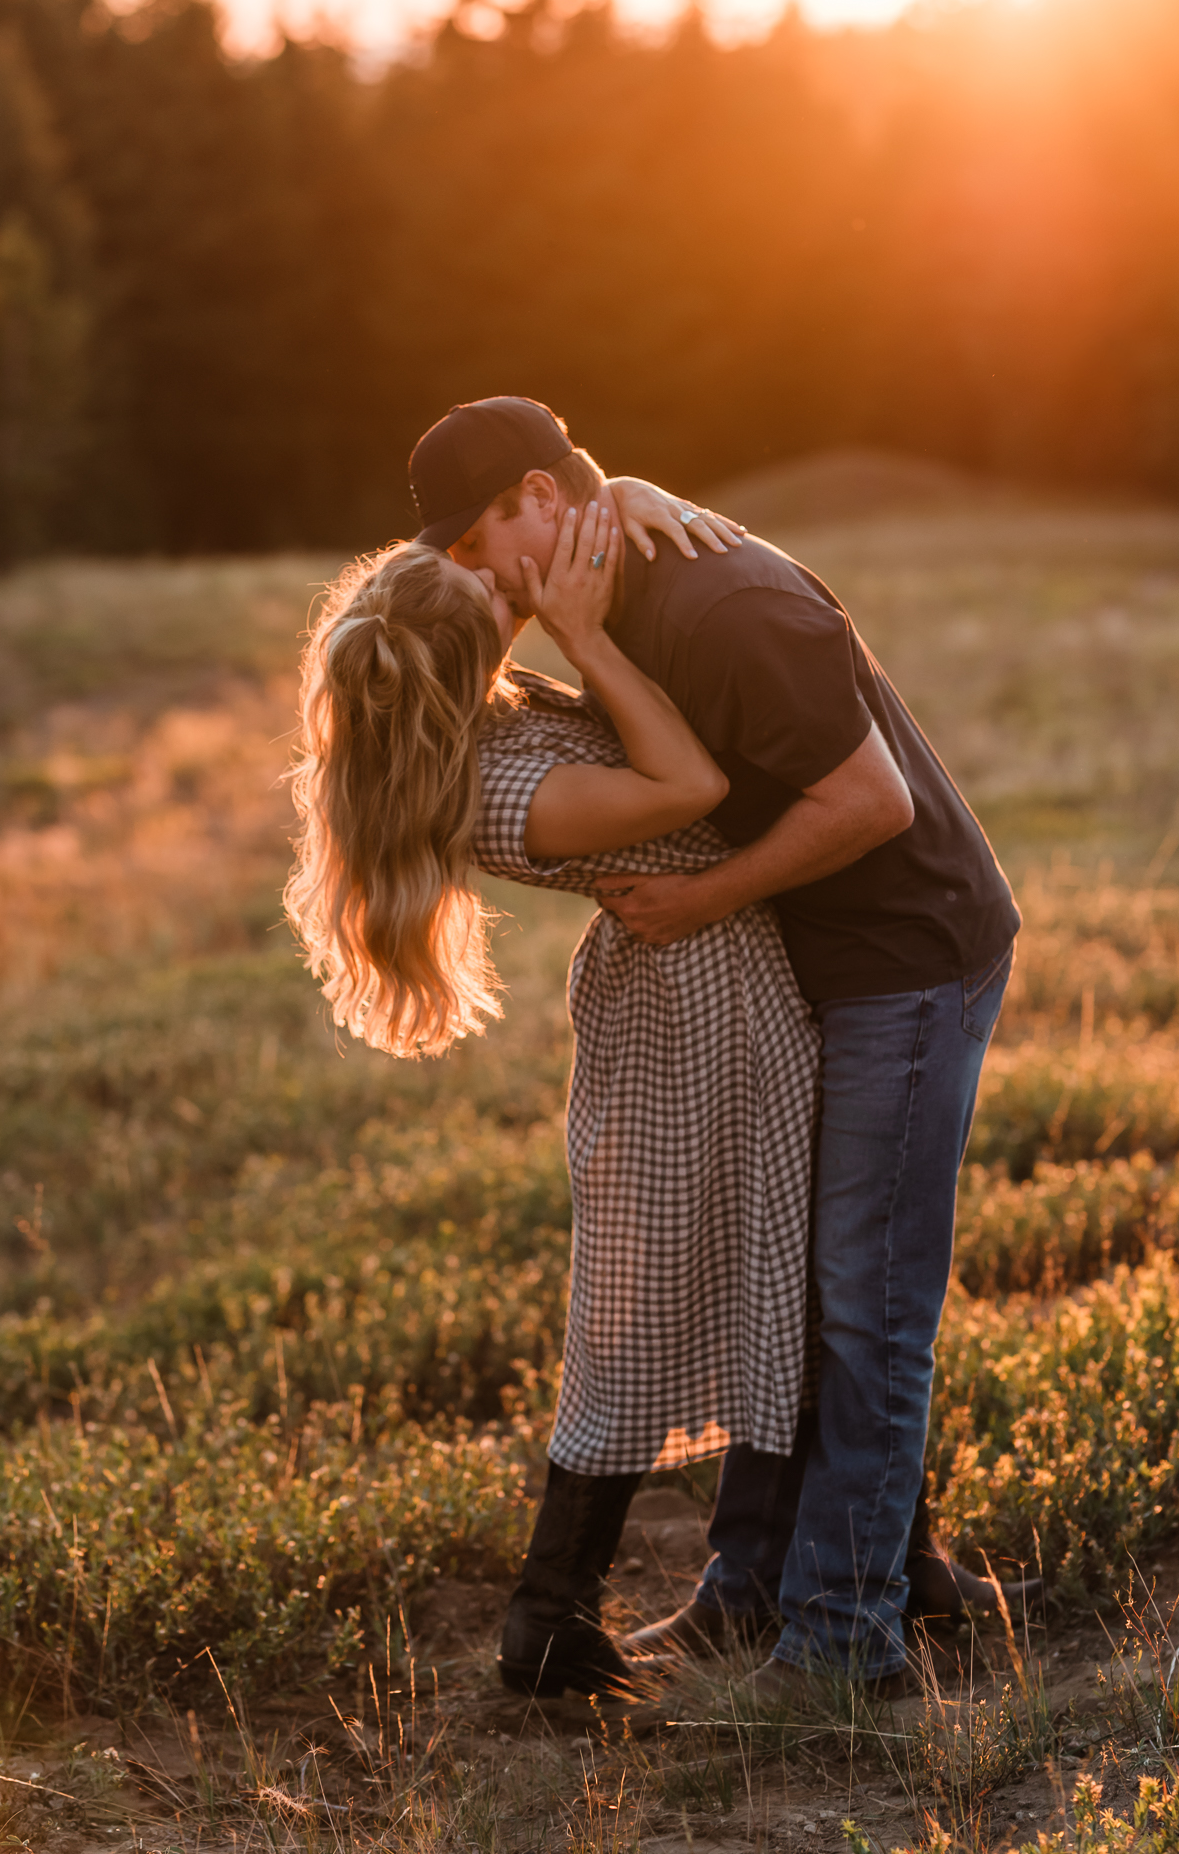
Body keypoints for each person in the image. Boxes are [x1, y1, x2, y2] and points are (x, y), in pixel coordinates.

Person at [421, 395, 1029, 1701]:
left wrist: (704, 897)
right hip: (819, 954)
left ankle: (839, 1638)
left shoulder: (725, 607)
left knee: (863, 1306)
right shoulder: (607, 587)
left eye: (480, 542)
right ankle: (759, 1588)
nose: (477, 580)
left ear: (540, 496)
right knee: (795, 1285)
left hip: (907, 959)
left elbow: (872, 802)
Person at [285, 497, 823, 1699]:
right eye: (493, 597)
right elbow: (690, 777)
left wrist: (614, 516)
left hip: (697, 992)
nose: (513, 587)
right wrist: (584, 633)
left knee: (770, 1280)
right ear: (465, 659)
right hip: (695, 1009)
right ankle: (553, 1612)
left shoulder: (488, 720)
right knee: (691, 1302)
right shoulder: (507, 791)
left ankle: (799, 1564)